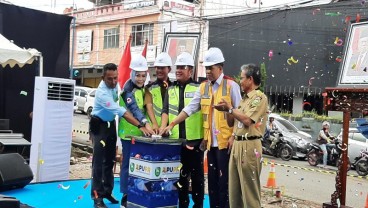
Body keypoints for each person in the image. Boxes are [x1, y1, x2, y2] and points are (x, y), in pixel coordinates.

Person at [160, 47, 242, 208]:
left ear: (220, 67)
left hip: (226, 143)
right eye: (206, 68)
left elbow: (239, 113)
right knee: (212, 183)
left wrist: (234, 136)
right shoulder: (204, 87)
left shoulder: (232, 86)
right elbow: (189, 109)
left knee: (224, 182)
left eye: (211, 68)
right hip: (210, 144)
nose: (208, 71)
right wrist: (172, 124)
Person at [89, 63, 150, 208]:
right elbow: (122, 111)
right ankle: (97, 197)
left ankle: (107, 191)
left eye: (115, 78)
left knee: (109, 160)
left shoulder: (115, 86)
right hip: (99, 126)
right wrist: (140, 125)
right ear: (103, 77)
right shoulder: (102, 93)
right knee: (98, 163)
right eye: (109, 79)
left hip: (111, 125)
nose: (114, 82)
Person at [214, 64, 268, 208]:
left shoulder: (259, 98)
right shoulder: (244, 100)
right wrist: (226, 109)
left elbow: (247, 120)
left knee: (249, 192)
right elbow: (231, 122)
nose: (240, 81)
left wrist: (230, 108)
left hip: (250, 146)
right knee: (234, 191)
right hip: (237, 145)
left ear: (250, 79)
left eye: (242, 78)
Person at [160, 52, 204, 208]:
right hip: (176, 141)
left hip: (195, 140)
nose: (178, 70)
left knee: (197, 177)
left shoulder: (199, 88)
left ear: (190, 70)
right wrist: (163, 128)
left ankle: (198, 204)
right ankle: (183, 204)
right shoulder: (170, 89)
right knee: (180, 177)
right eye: (177, 67)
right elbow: (165, 110)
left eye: (182, 67)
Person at [118, 54, 155, 208]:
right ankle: (126, 196)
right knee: (127, 165)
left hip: (141, 134)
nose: (140, 79)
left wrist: (152, 125)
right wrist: (145, 123)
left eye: (143, 75)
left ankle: (138, 193)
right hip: (128, 134)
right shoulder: (127, 90)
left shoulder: (144, 89)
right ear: (132, 73)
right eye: (137, 75)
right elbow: (134, 109)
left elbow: (147, 108)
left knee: (140, 165)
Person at [145, 52, 172, 134]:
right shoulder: (149, 88)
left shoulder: (174, 87)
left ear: (169, 69)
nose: (159, 70)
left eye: (162, 68)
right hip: (155, 131)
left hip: (171, 130)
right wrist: (154, 124)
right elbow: (148, 106)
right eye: (158, 68)